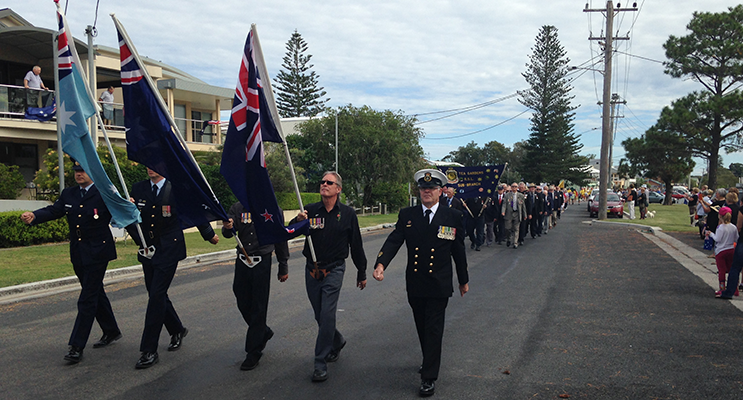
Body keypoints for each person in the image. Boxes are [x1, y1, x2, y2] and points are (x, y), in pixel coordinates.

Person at [373, 168, 468, 397]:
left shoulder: (452, 216)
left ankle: (429, 376)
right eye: (423, 188)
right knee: (422, 326)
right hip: (416, 282)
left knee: (434, 328)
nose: (427, 192)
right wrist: (380, 264)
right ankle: (429, 360)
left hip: (439, 283)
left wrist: (463, 280)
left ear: (440, 191)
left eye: (432, 188)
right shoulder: (408, 215)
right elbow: (394, 240)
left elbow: (459, 251)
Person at [20, 162, 121, 363]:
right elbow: (55, 210)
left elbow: (123, 213)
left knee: (87, 298)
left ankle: (76, 345)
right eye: (76, 171)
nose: (79, 174)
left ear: (91, 172)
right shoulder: (69, 194)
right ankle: (111, 330)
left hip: (98, 252)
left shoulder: (105, 193)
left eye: (83, 170)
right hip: (78, 252)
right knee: (95, 292)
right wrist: (34, 216)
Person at [126, 167, 220, 369]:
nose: (150, 168)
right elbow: (133, 216)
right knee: (155, 293)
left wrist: (209, 234)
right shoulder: (139, 188)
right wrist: (128, 207)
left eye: (154, 164)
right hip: (147, 249)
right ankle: (177, 329)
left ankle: (149, 350)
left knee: (156, 296)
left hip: (170, 248)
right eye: (147, 165)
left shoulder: (176, 188)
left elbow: (193, 212)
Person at [293, 171, 366, 383]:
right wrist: (298, 221)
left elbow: (357, 245)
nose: (324, 184)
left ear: (338, 189)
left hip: (334, 270)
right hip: (312, 270)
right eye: (322, 182)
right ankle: (337, 340)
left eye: (329, 182)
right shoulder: (310, 210)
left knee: (327, 314)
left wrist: (361, 272)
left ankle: (320, 362)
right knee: (319, 314)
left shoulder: (348, 214)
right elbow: (290, 230)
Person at [222, 201, 290, 371]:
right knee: (242, 300)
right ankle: (263, 331)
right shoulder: (237, 208)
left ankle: (253, 351)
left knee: (259, 305)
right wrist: (227, 226)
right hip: (243, 260)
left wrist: (283, 265)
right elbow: (228, 233)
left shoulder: (273, 209)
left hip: (262, 261)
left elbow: (280, 238)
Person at [707, 207, 739, 295]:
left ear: (720, 216)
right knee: (731, 270)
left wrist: (711, 234)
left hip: (721, 251)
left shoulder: (720, 227)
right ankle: (734, 289)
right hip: (731, 249)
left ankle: (722, 288)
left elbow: (718, 239)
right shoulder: (733, 227)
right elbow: (736, 238)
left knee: (721, 270)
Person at [503, 182, 527, 249]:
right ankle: (509, 239)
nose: (514, 188)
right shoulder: (507, 195)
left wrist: (525, 215)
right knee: (508, 228)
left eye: (515, 187)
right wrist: (503, 212)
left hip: (517, 213)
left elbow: (523, 206)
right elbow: (504, 204)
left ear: (517, 188)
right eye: (513, 186)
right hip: (509, 213)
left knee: (516, 229)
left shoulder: (520, 195)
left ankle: (515, 243)